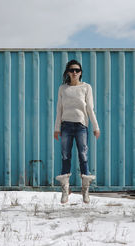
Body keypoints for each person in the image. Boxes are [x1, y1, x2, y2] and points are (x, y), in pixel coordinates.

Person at [54, 59, 100, 204]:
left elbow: (90, 109)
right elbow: (59, 109)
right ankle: (65, 190)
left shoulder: (86, 87)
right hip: (66, 126)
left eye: (77, 70)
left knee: (83, 155)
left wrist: (95, 126)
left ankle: (85, 190)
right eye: (72, 70)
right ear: (68, 72)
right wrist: (56, 128)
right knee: (65, 156)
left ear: (81, 73)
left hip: (81, 126)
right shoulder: (63, 88)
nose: (74, 72)